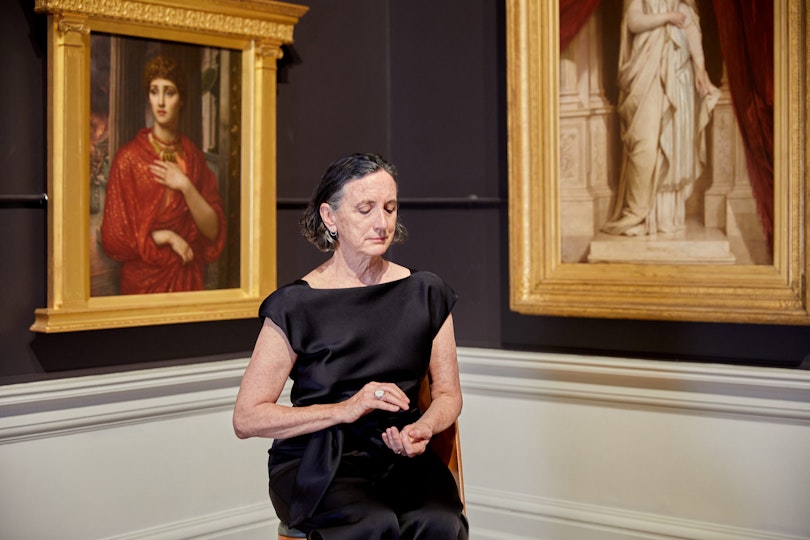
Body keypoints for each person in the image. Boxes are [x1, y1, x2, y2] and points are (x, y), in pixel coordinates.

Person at [233, 153, 468, 539]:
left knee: (438, 522)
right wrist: (347, 409)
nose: (382, 223)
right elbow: (246, 418)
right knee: (371, 525)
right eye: (365, 209)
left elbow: (447, 395)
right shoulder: (295, 304)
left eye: (390, 208)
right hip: (318, 461)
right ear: (330, 217)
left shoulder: (426, 292)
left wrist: (422, 429)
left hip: (398, 456)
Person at [101, 54, 226, 294]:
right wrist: (167, 236)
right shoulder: (129, 158)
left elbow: (212, 230)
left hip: (187, 276)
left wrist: (186, 186)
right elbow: (113, 237)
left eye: (169, 92)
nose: (160, 101)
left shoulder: (193, 158)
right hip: (142, 282)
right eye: (154, 91)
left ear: (181, 100)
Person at [602, 0, 720, 236]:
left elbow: (691, 28)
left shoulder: (682, 4)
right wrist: (666, 17)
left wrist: (700, 68)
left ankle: (666, 216)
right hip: (645, 77)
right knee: (644, 146)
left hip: (678, 81)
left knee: (673, 148)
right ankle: (639, 214)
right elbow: (634, 22)